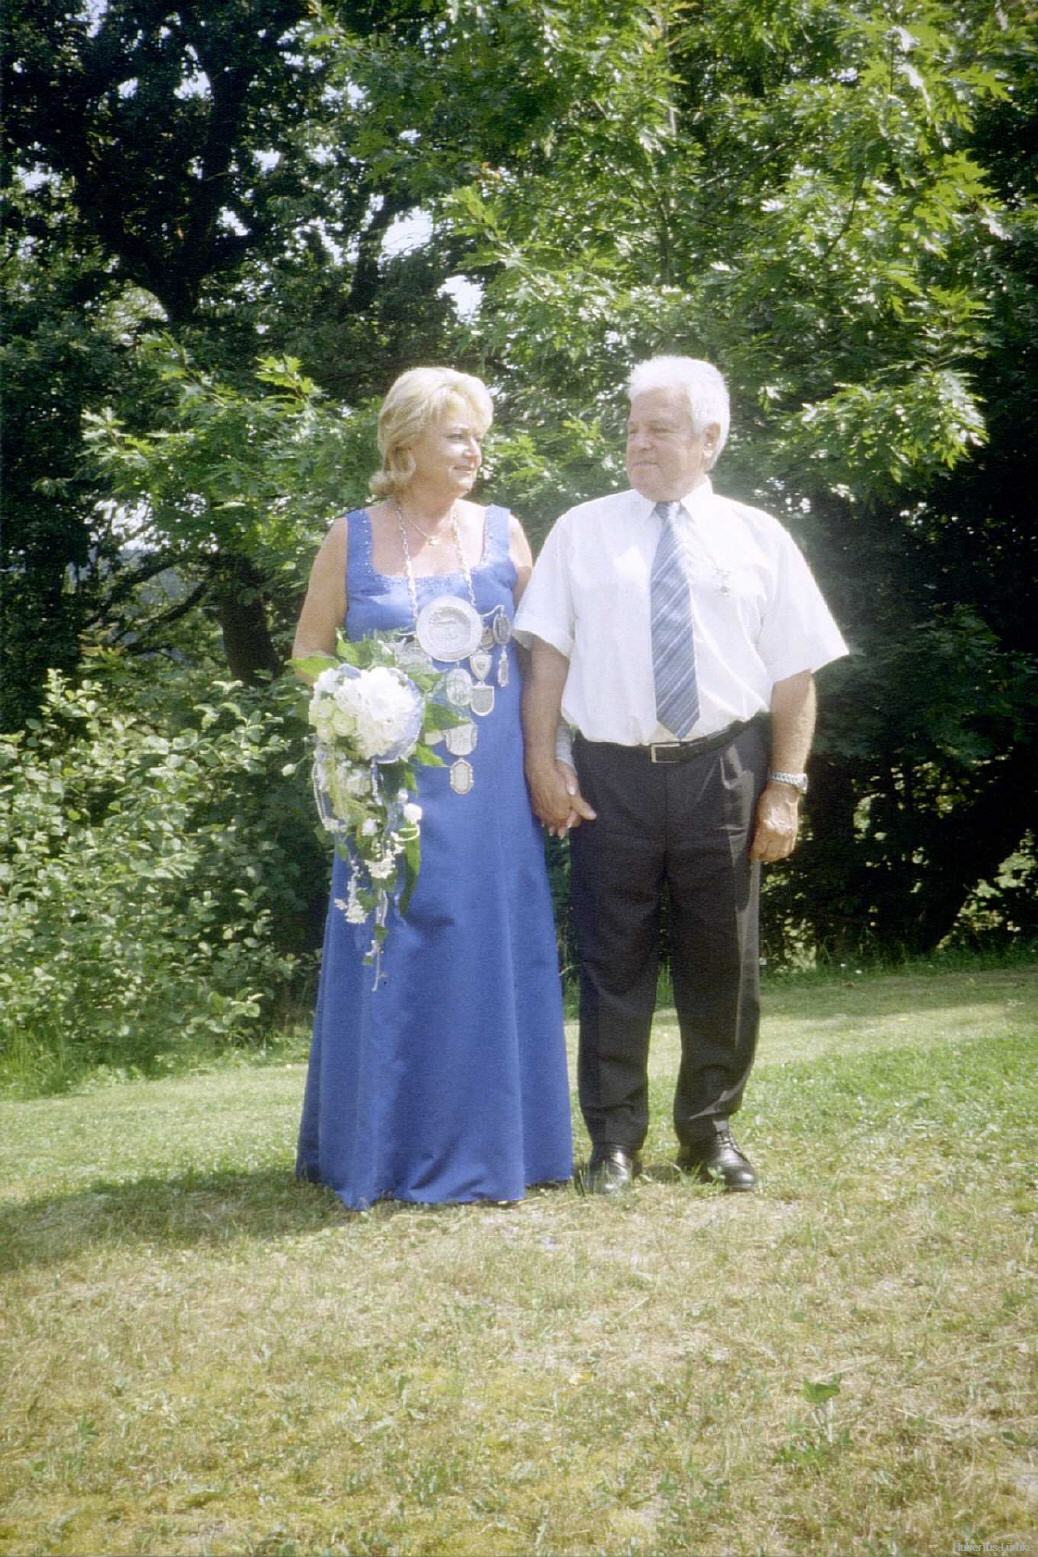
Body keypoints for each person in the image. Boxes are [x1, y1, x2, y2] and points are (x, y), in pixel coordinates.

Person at [514, 355, 847, 1194]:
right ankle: (614, 1141)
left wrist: (785, 786)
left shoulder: (759, 537)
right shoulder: (581, 531)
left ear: (710, 438)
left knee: (723, 960)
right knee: (611, 961)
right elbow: (547, 662)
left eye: (658, 429)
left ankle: (709, 1131)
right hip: (609, 777)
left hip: (723, 770)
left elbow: (795, 675)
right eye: (632, 428)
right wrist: (544, 761)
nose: (639, 443)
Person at [293, 366, 573, 1209]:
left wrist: (550, 757)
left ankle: (500, 1145)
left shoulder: (504, 530)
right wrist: (355, 706)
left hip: (489, 786)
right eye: (457, 435)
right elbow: (309, 652)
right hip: (387, 783)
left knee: (485, 949)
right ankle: (382, 1149)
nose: (473, 450)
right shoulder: (350, 537)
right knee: (393, 948)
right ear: (405, 442)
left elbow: (548, 653)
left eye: (478, 436)